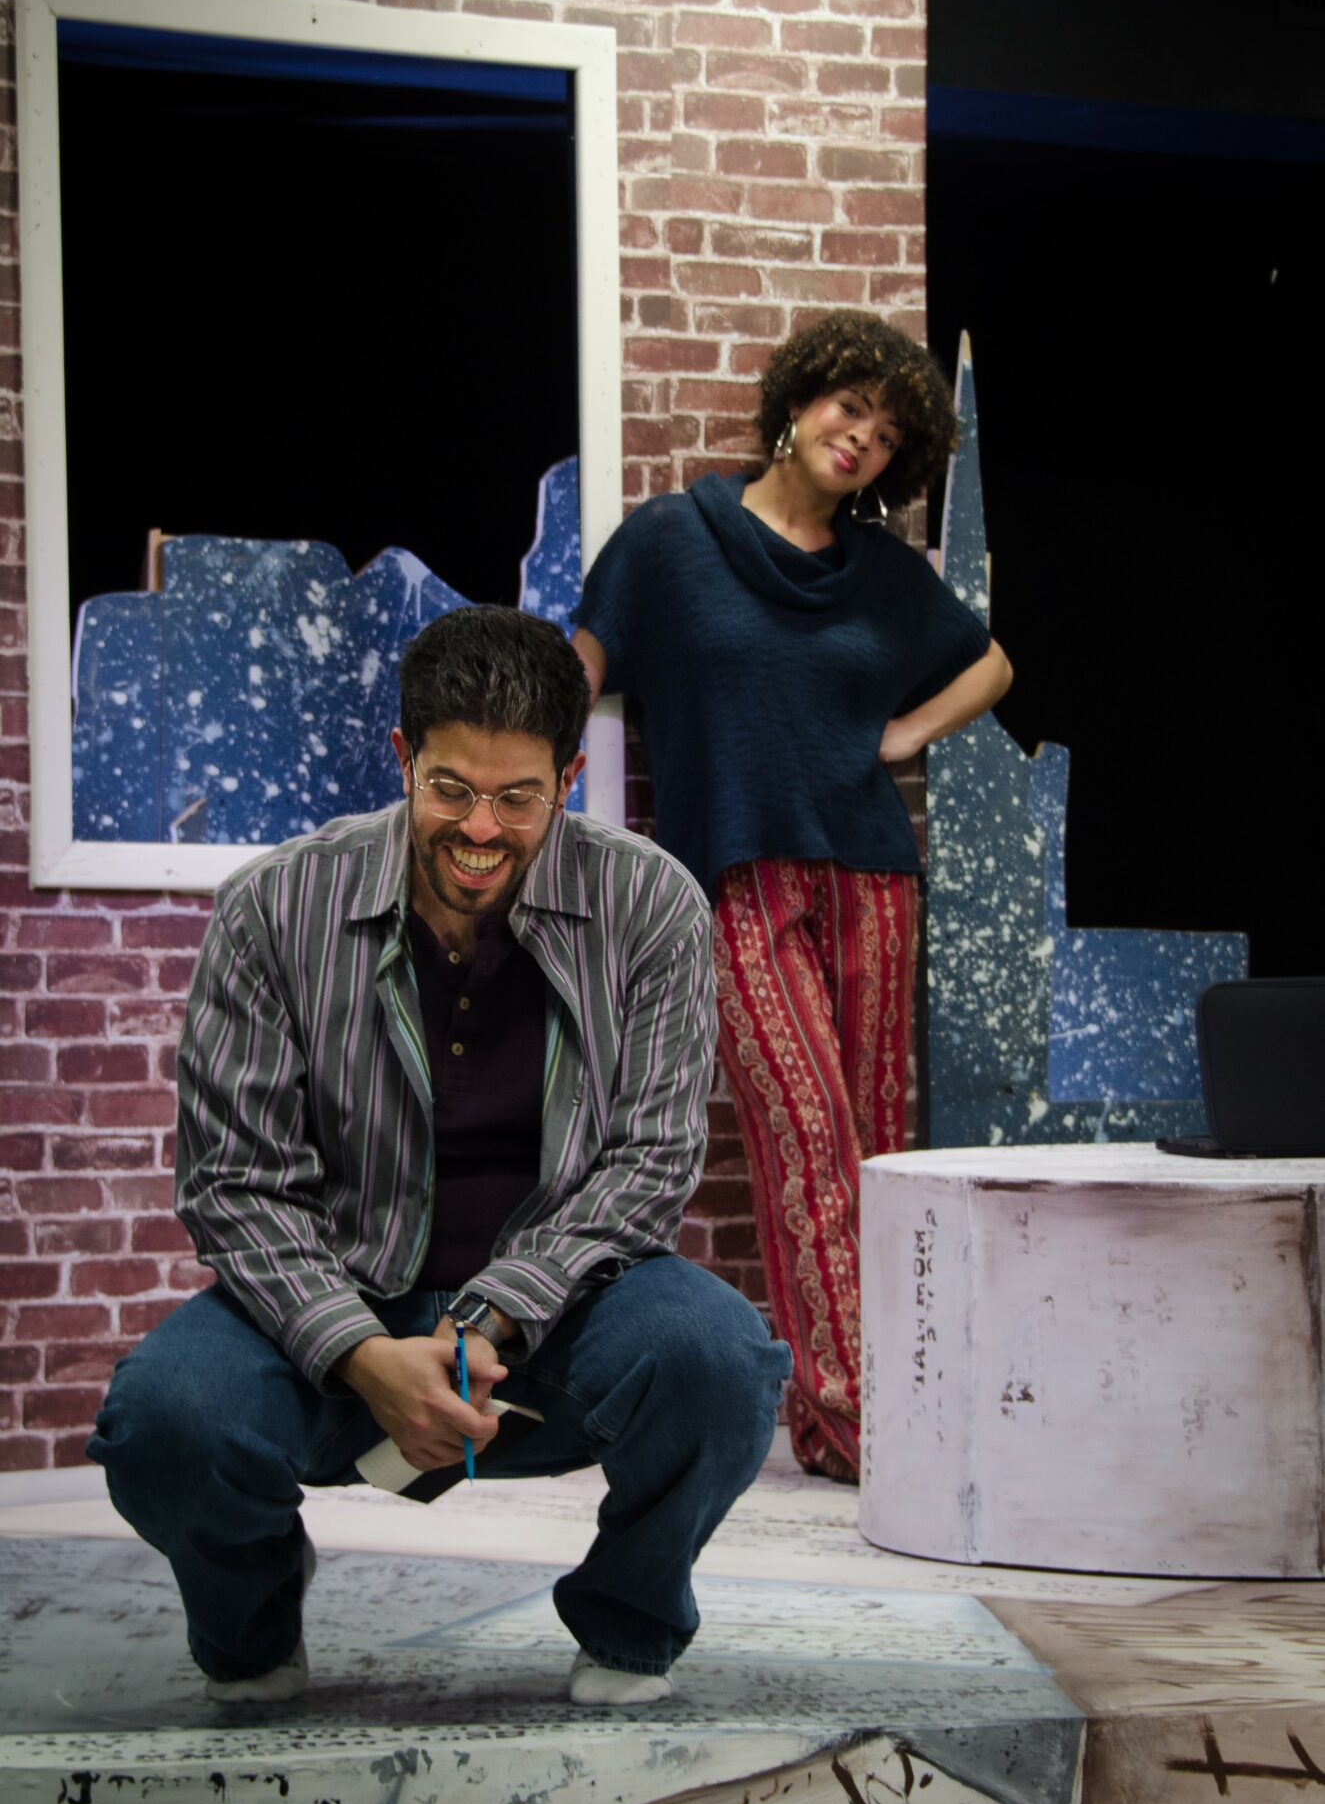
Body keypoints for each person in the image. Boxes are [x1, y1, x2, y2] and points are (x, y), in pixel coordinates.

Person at [89, 606, 790, 1705]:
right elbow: (233, 1182)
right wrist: (366, 1353)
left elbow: (648, 1162)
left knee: (721, 1361)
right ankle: (254, 1618)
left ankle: (628, 1614)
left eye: (518, 796)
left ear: (566, 778)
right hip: (332, 1308)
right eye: (451, 787)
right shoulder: (275, 907)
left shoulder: (649, 903)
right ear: (402, 759)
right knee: (162, 1419)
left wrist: (486, 1319)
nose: (481, 828)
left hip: (554, 1324)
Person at [573, 310, 1012, 1483]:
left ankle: (840, 1423)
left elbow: (991, 660)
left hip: (871, 876)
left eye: (885, 430)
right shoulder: (673, 537)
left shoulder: (879, 574)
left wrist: (904, 732)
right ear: (798, 400)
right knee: (804, 1132)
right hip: (736, 875)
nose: (860, 436)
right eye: (847, 407)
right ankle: (864, 1417)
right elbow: (581, 660)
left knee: (869, 1152)